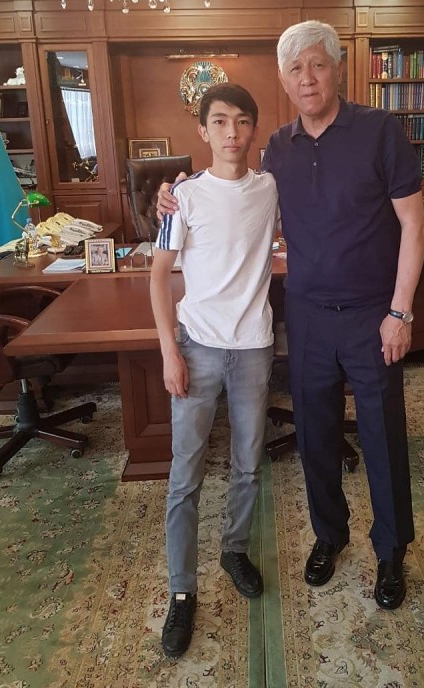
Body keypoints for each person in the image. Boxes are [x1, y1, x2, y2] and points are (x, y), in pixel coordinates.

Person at [158, 20, 424, 612]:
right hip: (306, 317)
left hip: (372, 316)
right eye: (295, 69)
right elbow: (229, 186)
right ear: (283, 80)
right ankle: (330, 535)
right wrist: (174, 190)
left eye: (318, 65)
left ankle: (391, 552)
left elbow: (415, 224)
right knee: (315, 436)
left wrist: (401, 311)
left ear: (338, 70)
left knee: (383, 437)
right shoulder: (278, 149)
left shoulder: (381, 131)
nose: (307, 78)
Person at [150, 83, 279, 658]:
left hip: (253, 347)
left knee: (248, 465)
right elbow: (158, 277)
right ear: (203, 131)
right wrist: (168, 351)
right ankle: (182, 590)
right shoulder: (183, 197)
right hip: (197, 345)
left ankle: (234, 549)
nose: (232, 132)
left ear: (254, 130)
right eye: (220, 121)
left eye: (242, 121)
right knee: (186, 473)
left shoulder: (271, 188)